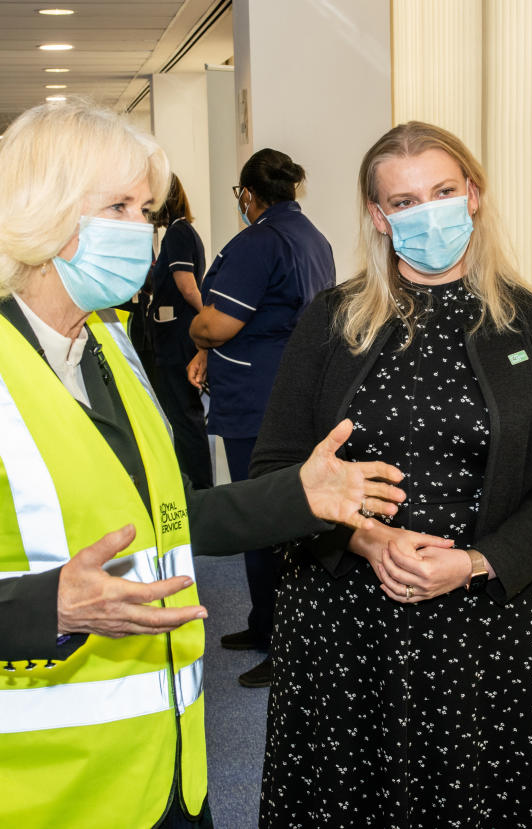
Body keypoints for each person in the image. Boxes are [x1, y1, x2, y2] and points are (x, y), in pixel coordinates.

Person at [0, 98, 406, 829]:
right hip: (30, 791)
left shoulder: (109, 345)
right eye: (118, 205)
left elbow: (169, 518)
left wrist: (298, 495)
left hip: (165, 771)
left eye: (145, 208)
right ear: (47, 212)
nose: (144, 231)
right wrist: (48, 605)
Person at [251, 121, 532, 827]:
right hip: (350, 623)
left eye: (444, 190)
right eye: (406, 200)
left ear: (473, 195)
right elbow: (275, 470)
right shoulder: (331, 322)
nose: (429, 211)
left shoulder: (531, 328)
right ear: (379, 216)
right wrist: (367, 541)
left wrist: (475, 561)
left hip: (496, 627)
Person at [187, 148, 335, 688]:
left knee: (265, 518)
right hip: (292, 391)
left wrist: (196, 337)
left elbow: (216, 325)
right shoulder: (311, 237)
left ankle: (282, 642)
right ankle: (262, 624)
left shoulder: (258, 242)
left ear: (249, 195)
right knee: (278, 513)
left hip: (260, 399)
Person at [146, 174, 212, 490]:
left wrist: (210, 319)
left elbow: (188, 289)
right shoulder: (181, 233)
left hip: (176, 338)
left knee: (184, 417)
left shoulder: (177, 234)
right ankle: (195, 486)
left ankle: (197, 489)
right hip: (174, 336)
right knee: (183, 415)